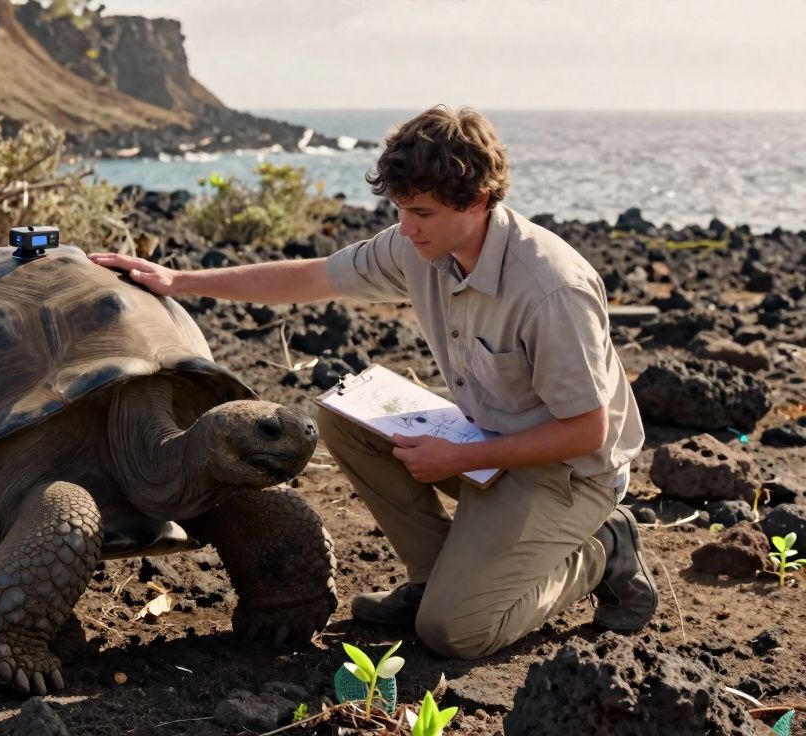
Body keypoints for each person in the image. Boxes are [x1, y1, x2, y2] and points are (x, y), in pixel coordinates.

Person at [86, 105, 657, 660]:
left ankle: (601, 550)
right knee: (343, 417)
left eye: (422, 213)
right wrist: (180, 281)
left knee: (455, 633)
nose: (406, 228)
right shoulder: (420, 245)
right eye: (401, 209)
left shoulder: (551, 289)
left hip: (569, 473)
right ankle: (434, 577)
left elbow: (586, 432)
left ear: (479, 199)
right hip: (489, 443)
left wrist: (462, 458)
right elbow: (313, 277)